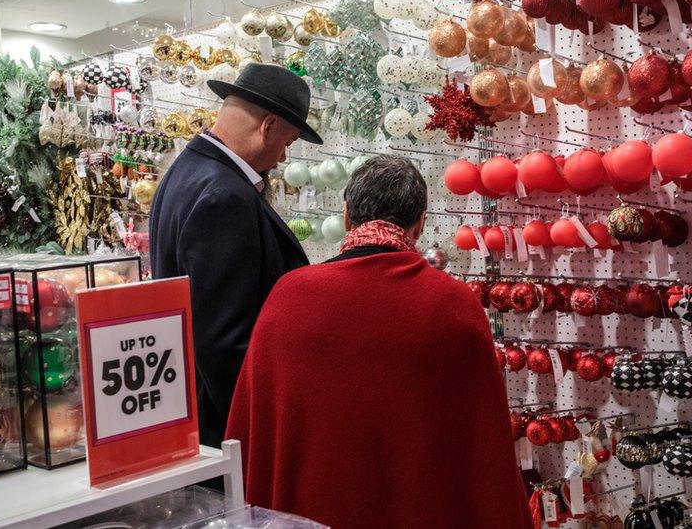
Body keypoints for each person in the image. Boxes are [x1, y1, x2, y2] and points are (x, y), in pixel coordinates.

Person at [226, 155, 533, 529]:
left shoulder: (290, 295)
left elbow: (252, 431)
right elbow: (483, 450)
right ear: (419, 225)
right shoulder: (452, 305)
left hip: (309, 515)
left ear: (344, 216)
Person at [149, 63, 322, 448]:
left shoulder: (184, 172)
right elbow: (225, 342)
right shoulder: (224, 194)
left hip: (197, 412)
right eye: (288, 143)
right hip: (226, 429)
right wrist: (259, 431)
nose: (281, 158)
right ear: (269, 126)